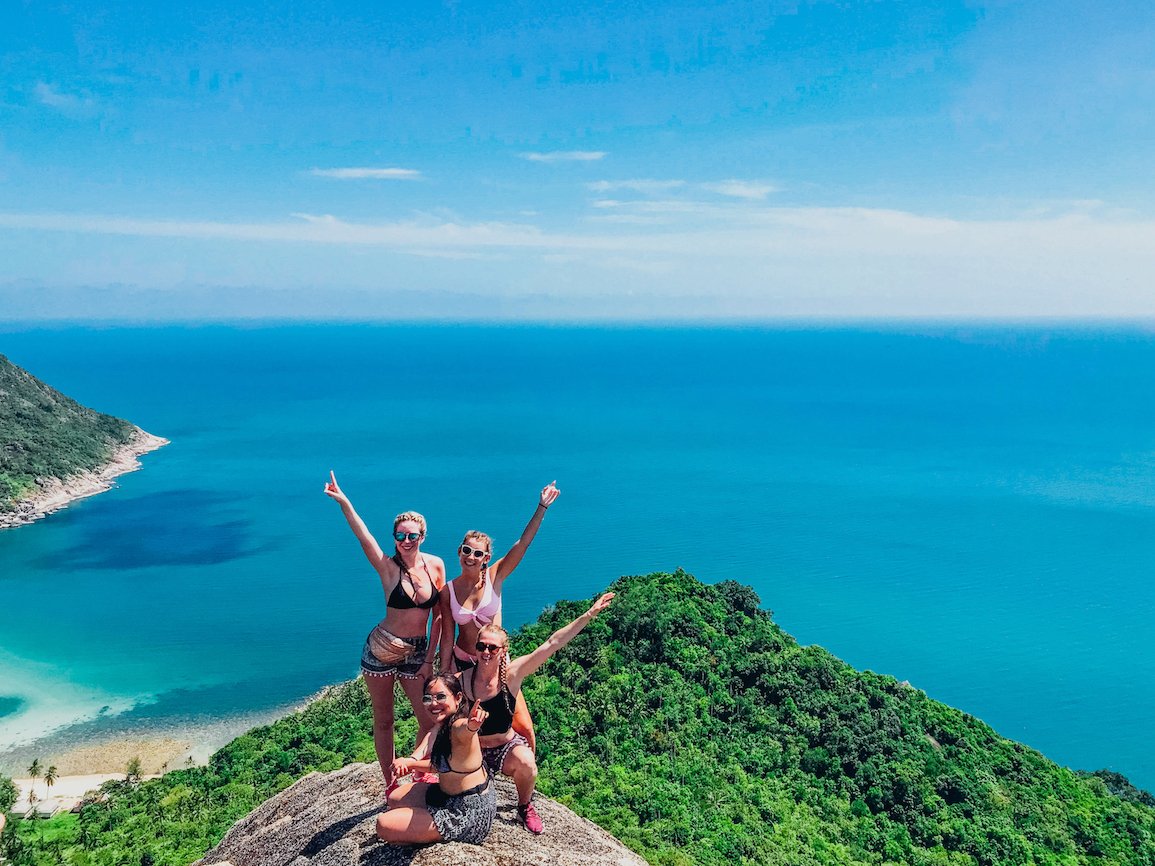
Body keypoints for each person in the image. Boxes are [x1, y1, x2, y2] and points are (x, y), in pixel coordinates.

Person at [324, 471, 447, 786]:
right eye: (400, 536)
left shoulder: (436, 565)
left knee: (430, 718)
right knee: (384, 721)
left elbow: (441, 617)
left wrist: (429, 657)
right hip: (381, 649)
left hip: (417, 653)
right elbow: (361, 533)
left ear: (422, 537)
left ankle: (418, 771)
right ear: (394, 538)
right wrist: (344, 501)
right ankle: (390, 783)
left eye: (412, 536)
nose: (406, 541)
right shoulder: (388, 568)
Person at [462, 590, 614, 834]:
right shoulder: (463, 680)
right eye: (482, 646)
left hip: (505, 747)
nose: (486, 652)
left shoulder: (511, 676)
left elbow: (552, 644)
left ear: (503, 650)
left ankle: (524, 806)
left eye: (493, 647)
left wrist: (588, 615)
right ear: (476, 648)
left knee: (528, 764)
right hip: (475, 751)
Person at [440, 481, 560, 751]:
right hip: (464, 665)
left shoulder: (496, 576)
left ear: (487, 557)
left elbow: (523, 544)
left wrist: (542, 506)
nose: (471, 557)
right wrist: (444, 672)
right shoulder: (447, 591)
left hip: (495, 662)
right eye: (466, 550)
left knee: (523, 724)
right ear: (459, 552)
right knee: (463, 724)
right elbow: (447, 637)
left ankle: (528, 775)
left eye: (478, 553)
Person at [377, 675, 496, 845]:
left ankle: (427, 834)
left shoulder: (458, 726)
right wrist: (411, 758)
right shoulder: (444, 723)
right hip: (447, 795)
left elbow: (461, 734)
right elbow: (429, 739)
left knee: (384, 825)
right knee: (394, 798)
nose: (433, 704)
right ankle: (421, 828)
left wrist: (471, 726)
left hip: (467, 810)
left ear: (458, 698)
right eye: (428, 698)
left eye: (440, 696)